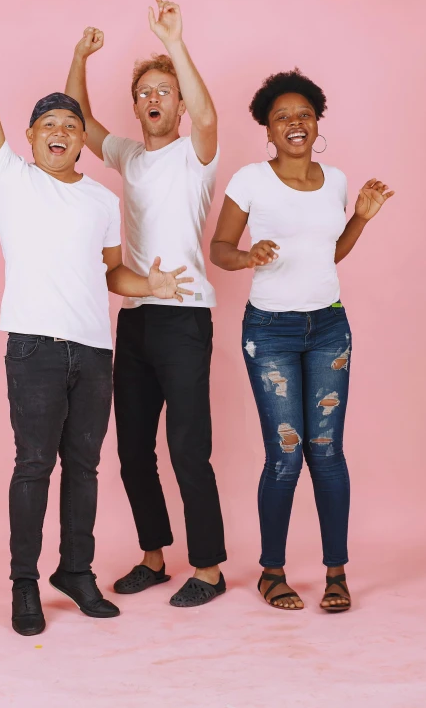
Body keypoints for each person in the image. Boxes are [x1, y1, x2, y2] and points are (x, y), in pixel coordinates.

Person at [0, 0, 192, 635]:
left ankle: (77, 570)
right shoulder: (10, 178)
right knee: (34, 463)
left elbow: (112, 270)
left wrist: (153, 283)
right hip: (35, 347)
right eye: (50, 124)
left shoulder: (99, 199)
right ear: (31, 137)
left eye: (72, 123)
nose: (63, 130)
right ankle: (24, 585)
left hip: (95, 351)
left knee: (86, 466)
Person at [210, 68, 394, 612]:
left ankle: (336, 573)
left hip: (329, 328)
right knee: (286, 454)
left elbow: (328, 254)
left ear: (317, 124)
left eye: (304, 114)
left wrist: (359, 219)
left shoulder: (335, 181)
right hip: (270, 331)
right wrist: (246, 257)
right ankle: (273, 573)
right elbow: (220, 247)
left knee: (328, 452)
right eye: (282, 116)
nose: (295, 122)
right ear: (268, 129)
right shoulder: (249, 180)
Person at [65, 0, 227, 607]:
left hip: (184, 316)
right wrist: (79, 56)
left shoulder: (196, 155)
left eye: (164, 90)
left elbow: (209, 114)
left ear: (178, 103)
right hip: (134, 317)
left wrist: (174, 42)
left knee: (188, 446)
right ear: (136, 105)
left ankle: (207, 568)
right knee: (132, 448)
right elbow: (79, 116)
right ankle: (155, 558)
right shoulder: (129, 157)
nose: (153, 98)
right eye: (144, 92)